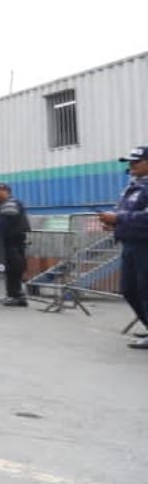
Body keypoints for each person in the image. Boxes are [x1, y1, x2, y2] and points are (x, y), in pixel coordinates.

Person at [98, 145, 148, 349]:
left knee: (146, 289)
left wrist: (118, 218)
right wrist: (112, 222)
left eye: (136, 161)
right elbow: (125, 212)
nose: (131, 165)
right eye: (130, 161)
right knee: (129, 289)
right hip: (130, 243)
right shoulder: (133, 186)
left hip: (145, 245)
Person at [0, 182, 32, 307]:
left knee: (14, 268)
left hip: (14, 241)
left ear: (4, 191)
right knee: (10, 269)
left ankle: (17, 296)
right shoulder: (0, 205)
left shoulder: (10, 204)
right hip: (8, 241)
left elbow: (2, 222)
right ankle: (12, 295)